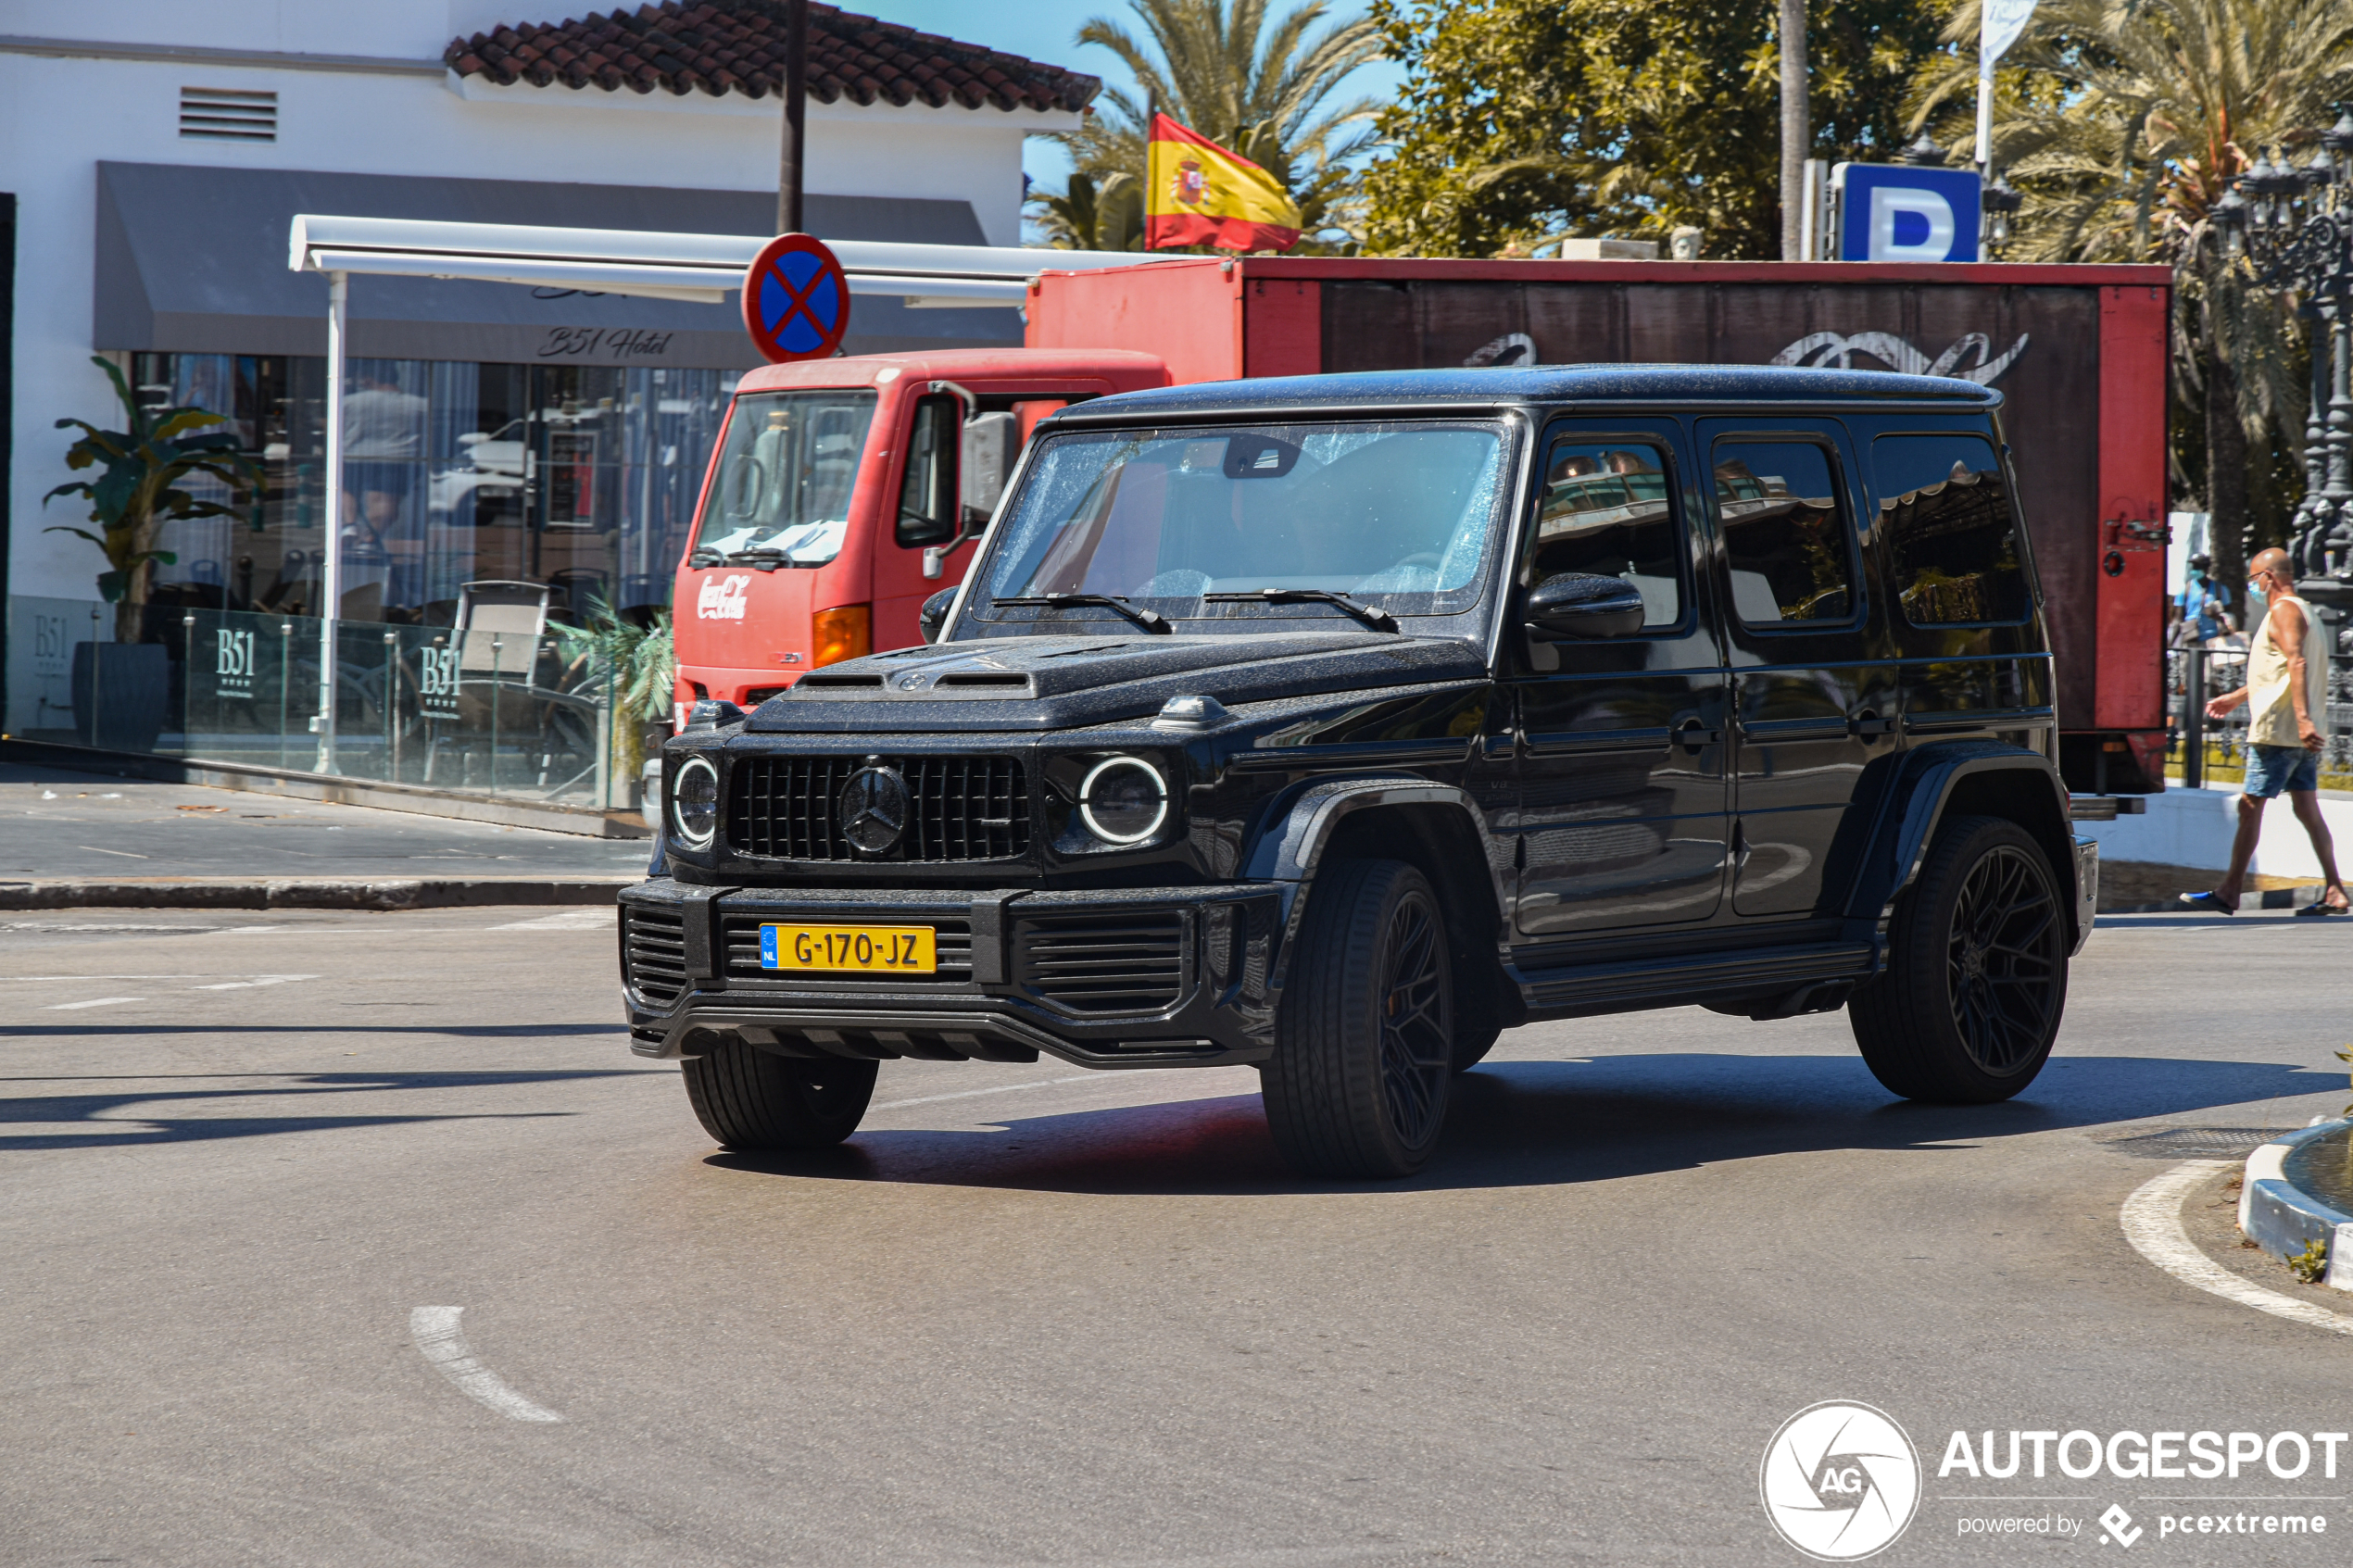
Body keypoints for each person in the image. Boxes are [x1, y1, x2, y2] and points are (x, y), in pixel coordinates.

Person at [2181, 548, 2350, 915]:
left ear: (2269, 578)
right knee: (2307, 809)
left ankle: (2229, 891)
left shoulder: (2283, 610)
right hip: (2299, 733)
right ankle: (2336, 890)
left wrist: (2302, 721)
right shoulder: (2307, 612)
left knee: (2249, 806)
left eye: (2253, 579)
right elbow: (2279, 673)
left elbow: (2296, 661)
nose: (2252, 586)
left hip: (2279, 732)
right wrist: (2236, 697)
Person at [2175, 552, 2225, 646]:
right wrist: (2169, 645)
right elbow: (2178, 619)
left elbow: (2228, 616)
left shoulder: (2220, 589)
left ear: (2206, 569)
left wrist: (2217, 616)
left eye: (2197, 566)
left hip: (2213, 641)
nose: (2194, 569)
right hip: (2191, 639)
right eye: (2193, 566)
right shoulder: (2185, 589)